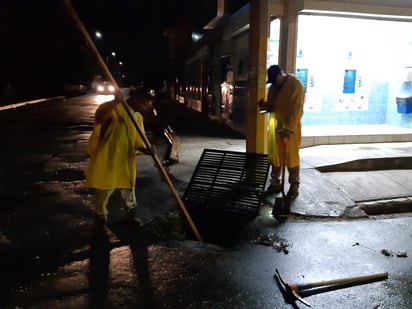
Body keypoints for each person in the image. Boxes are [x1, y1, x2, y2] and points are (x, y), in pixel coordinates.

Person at [85, 88, 152, 233]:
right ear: (136, 100)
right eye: (145, 105)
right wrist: (115, 101)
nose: (146, 108)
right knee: (104, 189)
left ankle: (131, 215)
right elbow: (100, 118)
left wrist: (147, 149)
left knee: (129, 187)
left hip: (125, 160)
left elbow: (137, 140)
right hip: (108, 158)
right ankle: (100, 218)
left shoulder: (137, 117)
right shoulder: (114, 108)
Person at [258, 65, 305, 200]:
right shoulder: (273, 87)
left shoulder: (296, 85)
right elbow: (273, 106)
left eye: (275, 79)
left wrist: (288, 128)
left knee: (291, 158)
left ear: (281, 74)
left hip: (290, 130)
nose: (274, 83)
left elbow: (297, 109)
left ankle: (294, 186)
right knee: (275, 156)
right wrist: (265, 106)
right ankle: (275, 183)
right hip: (276, 127)